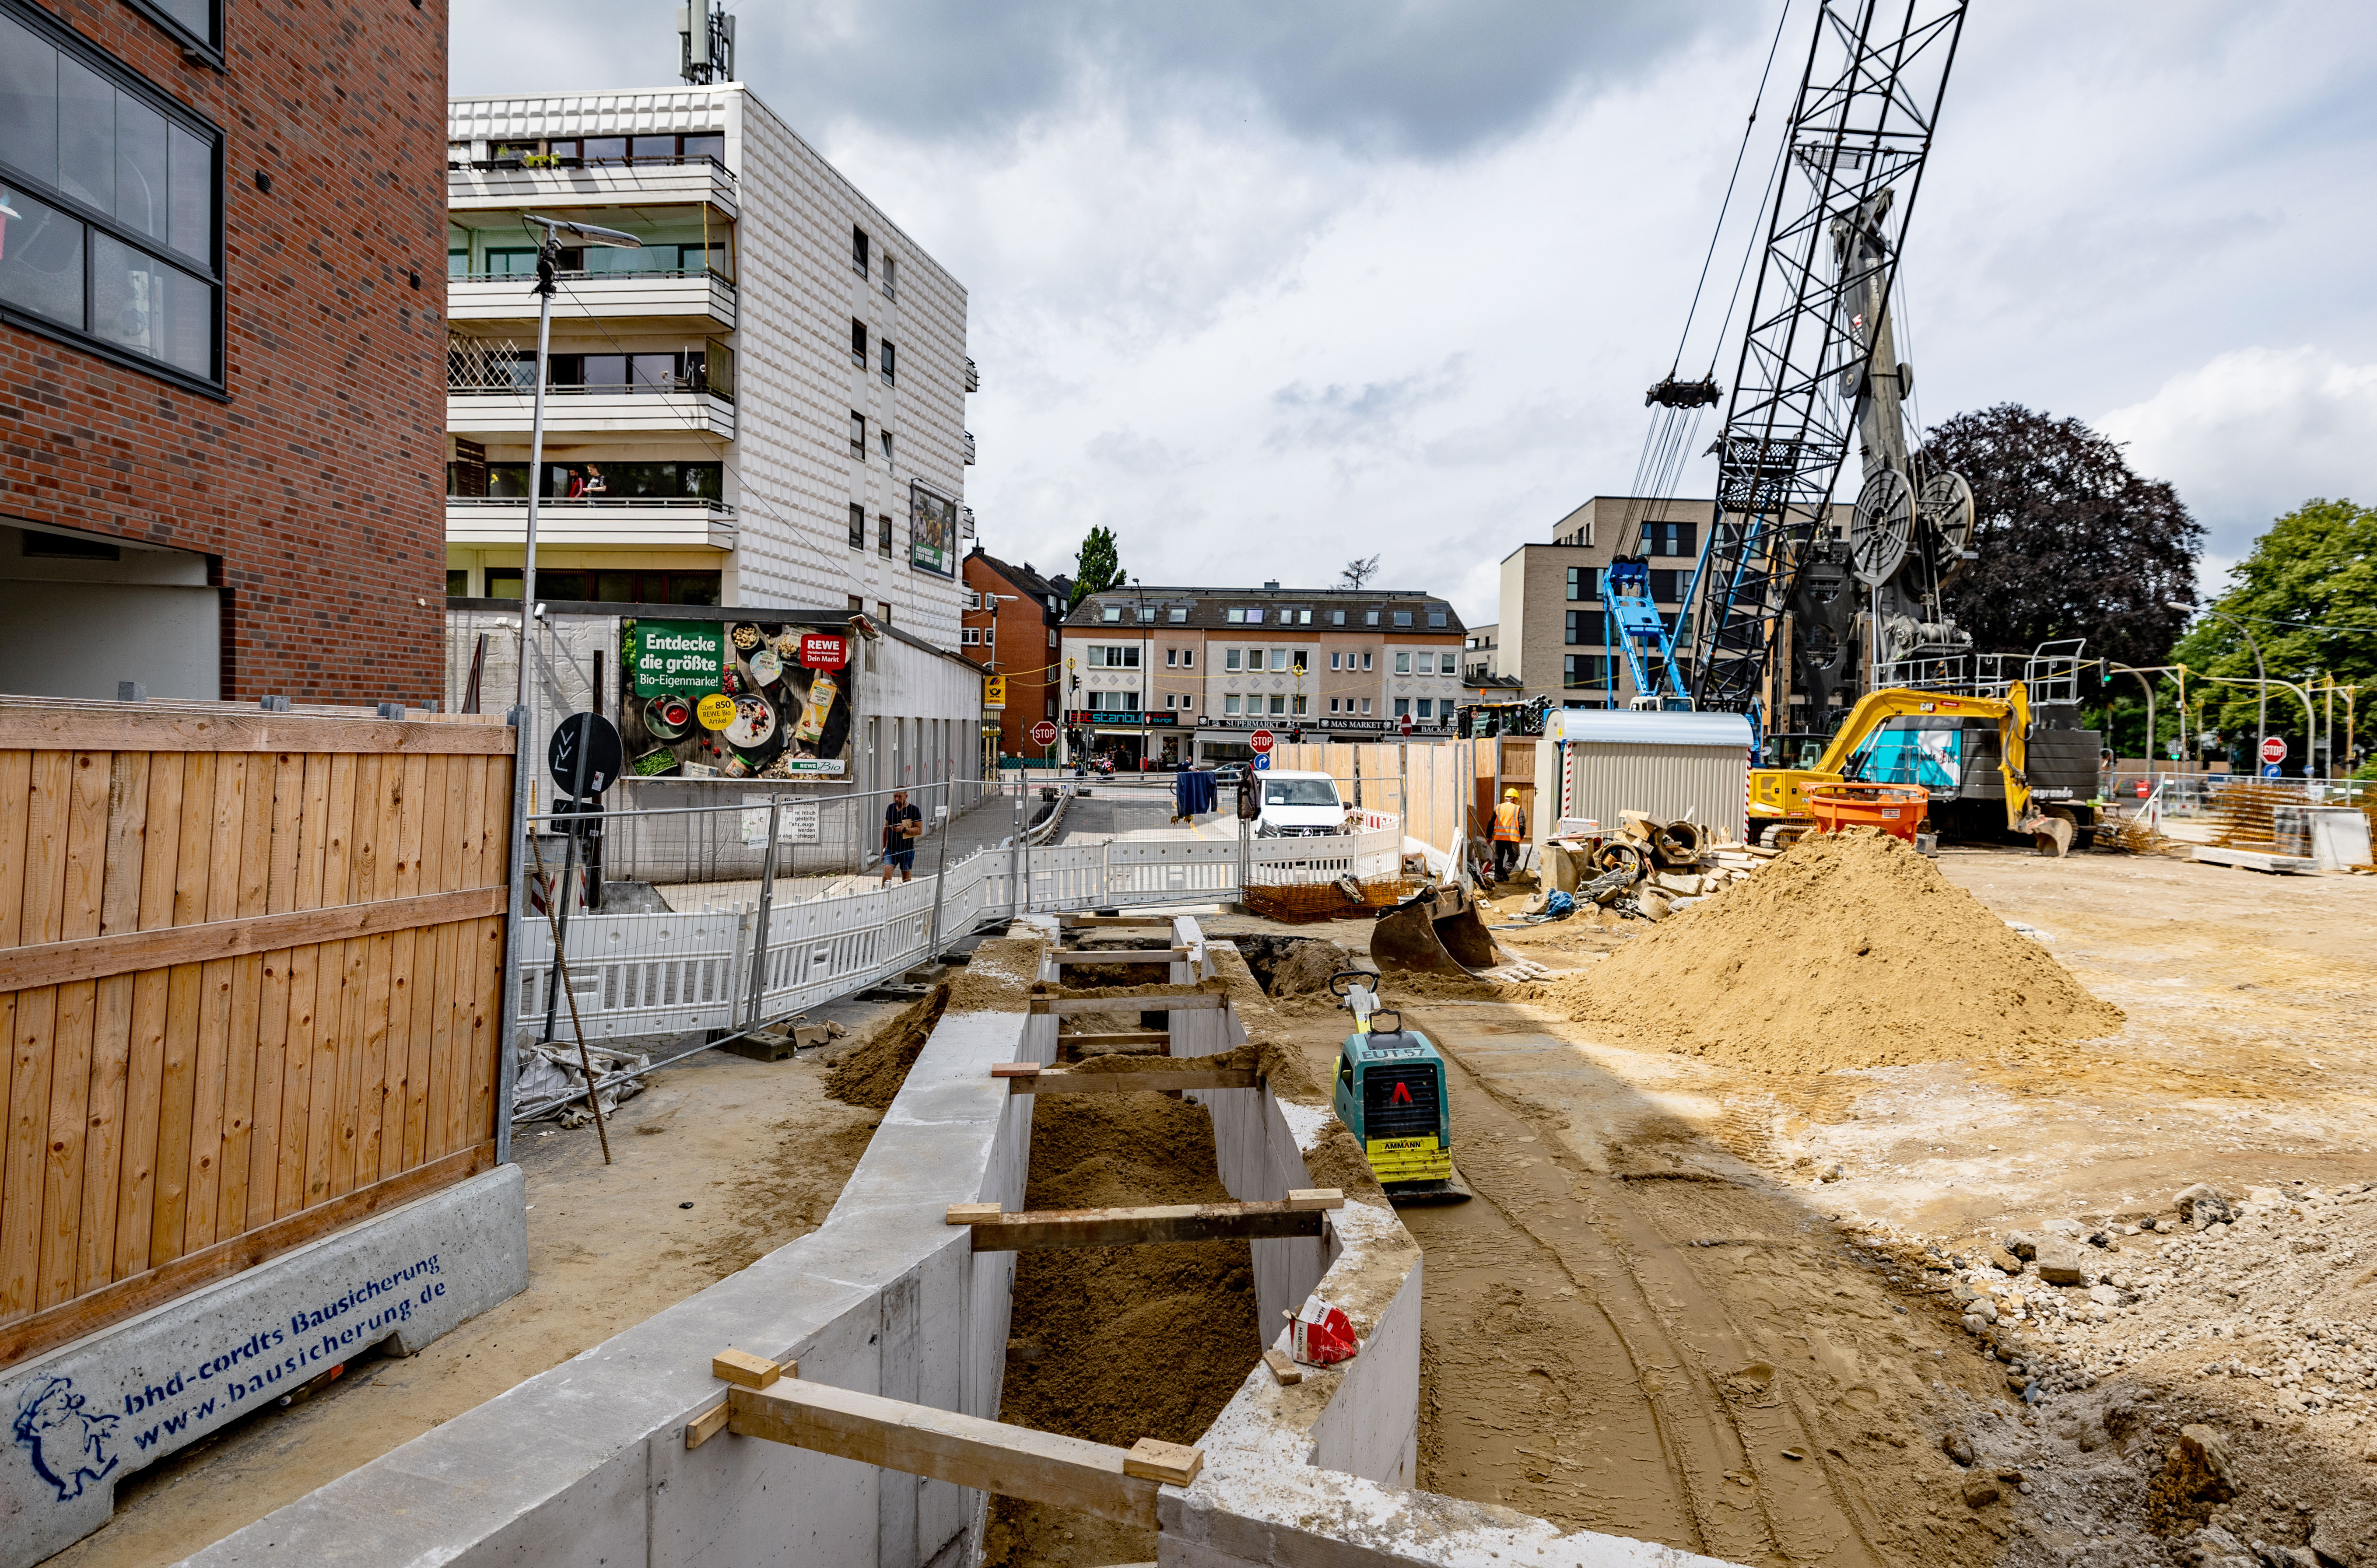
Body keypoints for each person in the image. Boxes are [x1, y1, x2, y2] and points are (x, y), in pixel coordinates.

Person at [880, 788, 923, 883]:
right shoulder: (891, 808)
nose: (897, 799)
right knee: (886, 877)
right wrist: (884, 848)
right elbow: (886, 828)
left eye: (900, 797)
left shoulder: (914, 810)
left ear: (906, 797)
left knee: (906, 880)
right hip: (891, 850)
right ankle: (884, 897)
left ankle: (906, 897)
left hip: (907, 850)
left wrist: (904, 829)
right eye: (895, 796)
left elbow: (919, 831)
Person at [1491, 788, 1526, 879]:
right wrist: (1522, 835)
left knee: (1499, 857)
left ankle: (1498, 877)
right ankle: (1506, 870)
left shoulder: (1499, 808)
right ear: (1514, 799)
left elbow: (1492, 822)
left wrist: (1488, 836)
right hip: (1512, 838)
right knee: (1515, 855)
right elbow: (1522, 824)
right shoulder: (1518, 809)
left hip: (1499, 838)